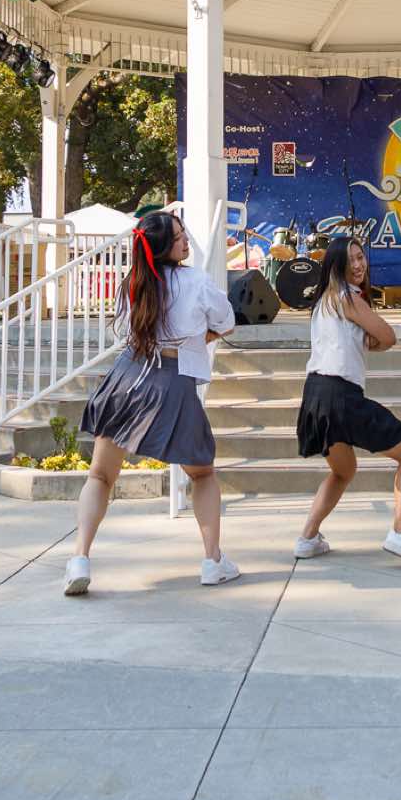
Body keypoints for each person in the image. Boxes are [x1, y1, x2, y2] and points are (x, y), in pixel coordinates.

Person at [67, 211, 238, 595]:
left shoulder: (134, 283)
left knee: (99, 476)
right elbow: (226, 322)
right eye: (179, 237)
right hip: (171, 382)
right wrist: (198, 338)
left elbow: (133, 331)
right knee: (203, 474)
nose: (186, 240)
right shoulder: (195, 281)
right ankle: (212, 561)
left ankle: (79, 558)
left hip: (127, 376)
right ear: (164, 247)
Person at [293, 238, 401, 567]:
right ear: (337, 266)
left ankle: (308, 537)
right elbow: (388, 336)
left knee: (343, 471)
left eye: (361, 257)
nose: (359, 265)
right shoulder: (347, 297)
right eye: (351, 260)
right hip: (340, 394)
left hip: (315, 395)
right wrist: (374, 343)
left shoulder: (324, 301)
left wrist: (364, 340)